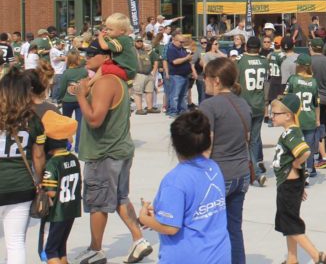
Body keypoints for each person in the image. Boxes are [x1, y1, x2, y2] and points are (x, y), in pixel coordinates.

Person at [74, 40, 152, 264]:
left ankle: (95, 249)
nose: (86, 57)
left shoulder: (105, 82)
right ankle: (139, 240)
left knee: (98, 203)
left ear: (107, 57)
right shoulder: (112, 79)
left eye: (91, 53)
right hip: (119, 149)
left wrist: (80, 96)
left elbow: (95, 119)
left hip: (104, 153)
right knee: (119, 197)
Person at [138, 110, 230, 263]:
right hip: (218, 254)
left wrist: (144, 218)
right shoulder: (213, 167)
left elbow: (170, 228)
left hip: (189, 256)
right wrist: (163, 212)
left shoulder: (175, 181)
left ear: (174, 143)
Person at [199, 57, 255, 263]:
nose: (203, 81)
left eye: (205, 78)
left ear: (216, 80)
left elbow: (206, 147)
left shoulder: (209, 106)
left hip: (218, 175)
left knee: (209, 230)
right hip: (241, 174)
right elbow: (248, 139)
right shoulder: (243, 104)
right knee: (234, 229)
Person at [269, 95, 326, 263]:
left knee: (291, 224)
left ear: (288, 115)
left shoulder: (291, 134)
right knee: (288, 222)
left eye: (275, 113)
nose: (272, 116)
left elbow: (305, 152)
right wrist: (301, 185)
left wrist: (296, 162)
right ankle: (292, 259)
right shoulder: (291, 131)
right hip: (290, 185)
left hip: (288, 185)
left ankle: (317, 256)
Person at [0, 70, 46, 264]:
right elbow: (38, 155)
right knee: (16, 241)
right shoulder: (33, 120)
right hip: (21, 186)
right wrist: (40, 181)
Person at [40, 112, 82, 264]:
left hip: (58, 212)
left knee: (50, 250)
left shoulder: (52, 164)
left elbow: (51, 192)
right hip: (71, 209)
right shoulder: (74, 159)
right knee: (61, 248)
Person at [236, 36, 269, 184]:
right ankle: (255, 167)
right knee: (255, 139)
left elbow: (234, 83)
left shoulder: (241, 61)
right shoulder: (264, 61)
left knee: (245, 140)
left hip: (245, 103)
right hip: (259, 103)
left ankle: (254, 171)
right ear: (259, 48)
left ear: (246, 47)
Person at [285, 53, 320, 180]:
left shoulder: (293, 79)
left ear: (299, 66)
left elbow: (286, 99)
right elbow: (316, 104)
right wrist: (317, 119)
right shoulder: (314, 82)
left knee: (294, 146)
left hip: (296, 118)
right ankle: (308, 171)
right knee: (308, 147)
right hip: (309, 117)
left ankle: (296, 169)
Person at [54, 52, 88, 153]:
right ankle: (78, 147)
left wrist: (59, 98)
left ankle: (66, 145)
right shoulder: (83, 71)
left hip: (67, 101)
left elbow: (62, 87)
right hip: (80, 99)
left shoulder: (67, 73)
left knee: (66, 124)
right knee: (80, 124)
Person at [164, 34, 194, 118]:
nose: (182, 43)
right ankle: (173, 112)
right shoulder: (171, 50)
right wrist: (186, 58)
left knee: (183, 95)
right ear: (174, 40)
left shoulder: (182, 49)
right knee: (175, 95)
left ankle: (182, 110)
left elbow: (187, 60)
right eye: (181, 42)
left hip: (185, 75)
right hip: (176, 76)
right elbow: (174, 62)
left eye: (183, 42)